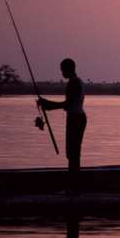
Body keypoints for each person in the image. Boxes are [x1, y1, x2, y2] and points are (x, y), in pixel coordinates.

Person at [38, 58, 86, 193]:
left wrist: (48, 105)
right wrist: (48, 104)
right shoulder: (74, 82)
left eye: (63, 70)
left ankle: (74, 187)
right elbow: (67, 103)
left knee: (73, 153)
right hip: (74, 118)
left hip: (76, 119)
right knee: (72, 153)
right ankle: (74, 185)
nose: (61, 72)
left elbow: (68, 103)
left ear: (70, 68)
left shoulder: (74, 83)